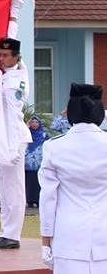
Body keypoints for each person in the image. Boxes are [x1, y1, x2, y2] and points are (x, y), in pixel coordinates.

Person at [39, 83, 107, 272]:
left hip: (68, 237)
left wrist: (46, 241)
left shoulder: (54, 147)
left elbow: (48, 199)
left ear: (70, 113)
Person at [0, 38, 32, 250]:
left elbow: (13, 116)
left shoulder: (14, 81)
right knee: (4, 187)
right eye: (0, 55)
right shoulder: (14, 72)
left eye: (6, 55)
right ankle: (5, 232)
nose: (1, 59)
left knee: (13, 188)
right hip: (5, 138)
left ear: (16, 56)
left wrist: (12, 148)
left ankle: (12, 234)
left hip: (14, 139)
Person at [24, 116, 47, 208]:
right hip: (28, 163)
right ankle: (29, 200)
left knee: (39, 182)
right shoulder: (26, 134)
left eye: (36, 122)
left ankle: (38, 200)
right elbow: (19, 135)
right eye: (32, 122)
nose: (34, 124)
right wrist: (26, 126)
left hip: (39, 163)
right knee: (29, 182)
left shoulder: (44, 135)